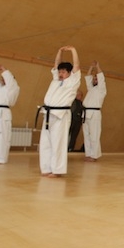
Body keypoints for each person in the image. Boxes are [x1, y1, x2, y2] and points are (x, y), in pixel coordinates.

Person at [38, 46, 81, 178]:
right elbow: (56, 64)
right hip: (48, 114)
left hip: (61, 116)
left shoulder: (73, 82)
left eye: (63, 72)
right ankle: (46, 168)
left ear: (69, 73)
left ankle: (57, 170)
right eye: (60, 72)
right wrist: (59, 52)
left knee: (58, 143)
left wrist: (73, 50)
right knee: (45, 143)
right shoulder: (55, 80)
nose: (60, 74)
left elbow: (77, 66)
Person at [82, 61, 107, 162]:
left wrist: (97, 67)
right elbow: (88, 78)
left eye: (96, 79)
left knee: (94, 135)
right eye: (94, 78)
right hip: (86, 113)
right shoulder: (91, 89)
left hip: (95, 113)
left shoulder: (102, 89)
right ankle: (88, 154)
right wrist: (91, 67)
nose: (94, 80)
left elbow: (101, 77)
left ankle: (94, 155)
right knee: (86, 135)